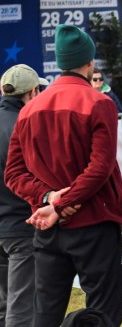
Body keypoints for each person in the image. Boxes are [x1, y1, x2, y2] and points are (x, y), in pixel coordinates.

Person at [4, 24, 122, 327]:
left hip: (48, 229)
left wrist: (49, 199)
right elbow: (100, 167)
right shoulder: (100, 103)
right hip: (93, 224)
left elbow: (14, 173)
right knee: (104, 314)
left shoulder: (29, 109)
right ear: (89, 62)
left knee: (44, 316)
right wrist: (59, 202)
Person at [0, 65, 43, 326]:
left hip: (6, 226)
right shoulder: (26, 126)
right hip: (20, 228)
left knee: (4, 307)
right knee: (21, 307)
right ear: (32, 92)